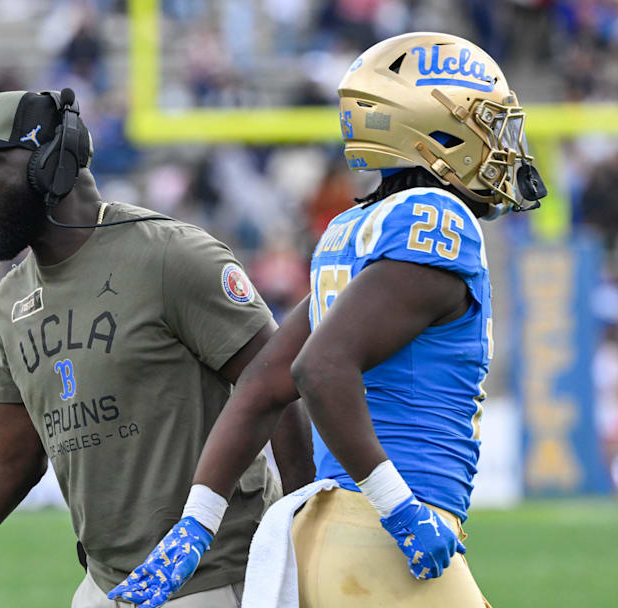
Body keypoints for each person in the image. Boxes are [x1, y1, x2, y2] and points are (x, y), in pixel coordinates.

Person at [109, 32, 547, 608]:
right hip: (382, 538)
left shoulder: (350, 227)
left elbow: (263, 385)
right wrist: (400, 508)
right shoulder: (437, 217)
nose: (499, 144)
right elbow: (319, 368)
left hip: (321, 534)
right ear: (434, 129)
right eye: (486, 123)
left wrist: (198, 521)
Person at [0, 89, 314, 607]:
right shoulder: (12, 298)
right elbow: (10, 458)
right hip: (105, 585)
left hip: (213, 580)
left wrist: (296, 550)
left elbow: (276, 386)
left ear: (52, 166)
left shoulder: (171, 256)